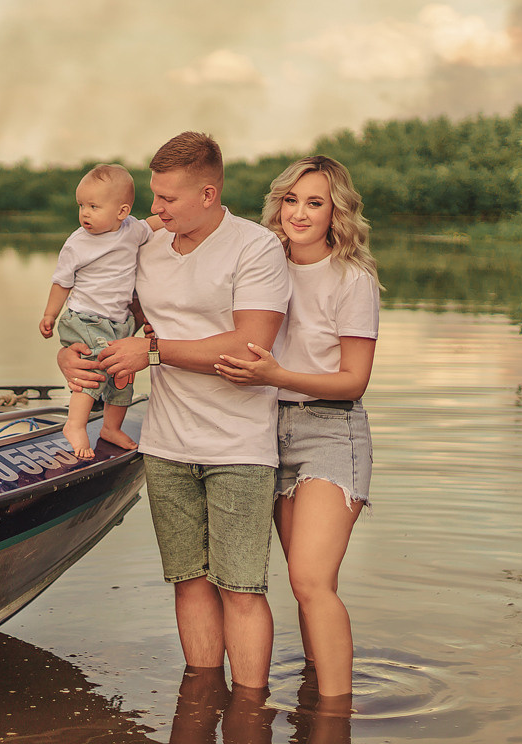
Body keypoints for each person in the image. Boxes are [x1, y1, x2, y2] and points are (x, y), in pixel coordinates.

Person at [60, 131, 291, 690]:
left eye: (167, 200)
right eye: (154, 198)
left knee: (241, 588)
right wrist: (72, 355)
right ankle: (202, 698)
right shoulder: (146, 249)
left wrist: (154, 351)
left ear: (208, 194)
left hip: (239, 445)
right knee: (188, 582)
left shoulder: (255, 247)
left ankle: (249, 712)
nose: (154, 211)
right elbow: (107, 316)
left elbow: (250, 344)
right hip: (164, 443)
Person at [215, 155, 380, 706]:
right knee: (301, 586)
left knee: (311, 581)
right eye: (291, 200)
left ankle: (335, 719)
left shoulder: (352, 279)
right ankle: (314, 699)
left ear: (337, 211)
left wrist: (276, 375)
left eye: (315, 202)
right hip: (264, 430)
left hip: (331, 433)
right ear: (277, 204)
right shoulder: (262, 263)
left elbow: (354, 381)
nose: (300, 212)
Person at [40, 163, 157, 459]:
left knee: (121, 374)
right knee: (93, 366)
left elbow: (157, 223)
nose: (85, 213)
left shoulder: (132, 230)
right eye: (81, 205)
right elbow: (61, 282)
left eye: (94, 206)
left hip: (120, 322)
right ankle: (75, 424)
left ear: (122, 211)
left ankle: (111, 427)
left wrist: (179, 217)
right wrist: (50, 315)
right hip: (85, 318)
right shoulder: (77, 243)